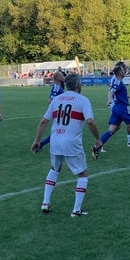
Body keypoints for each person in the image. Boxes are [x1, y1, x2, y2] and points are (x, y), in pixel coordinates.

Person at [31, 73, 102, 217]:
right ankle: (76, 210)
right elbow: (89, 121)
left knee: (54, 169)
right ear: (77, 85)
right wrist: (98, 139)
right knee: (82, 175)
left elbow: (44, 121)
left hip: (55, 140)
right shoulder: (83, 100)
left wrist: (37, 140)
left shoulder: (56, 99)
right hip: (71, 142)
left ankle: (45, 202)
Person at [91, 64, 130, 157]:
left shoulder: (116, 81)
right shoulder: (118, 82)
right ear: (119, 72)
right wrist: (108, 100)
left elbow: (115, 92)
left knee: (111, 131)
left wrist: (127, 96)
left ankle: (96, 147)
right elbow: (111, 92)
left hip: (116, 109)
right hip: (123, 108)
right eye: (123, 71)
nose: (124, 72)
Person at [35, 71, 66, 151]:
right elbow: (50, 100)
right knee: (60, 130)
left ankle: (42, 144)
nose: (63, 77)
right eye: (62, 76)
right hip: (58, 112)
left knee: (60, 130)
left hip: (60, 111)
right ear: (58, 78)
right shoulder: (56, 87)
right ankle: (41, 144)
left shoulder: (59, 86)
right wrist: (58, 108)